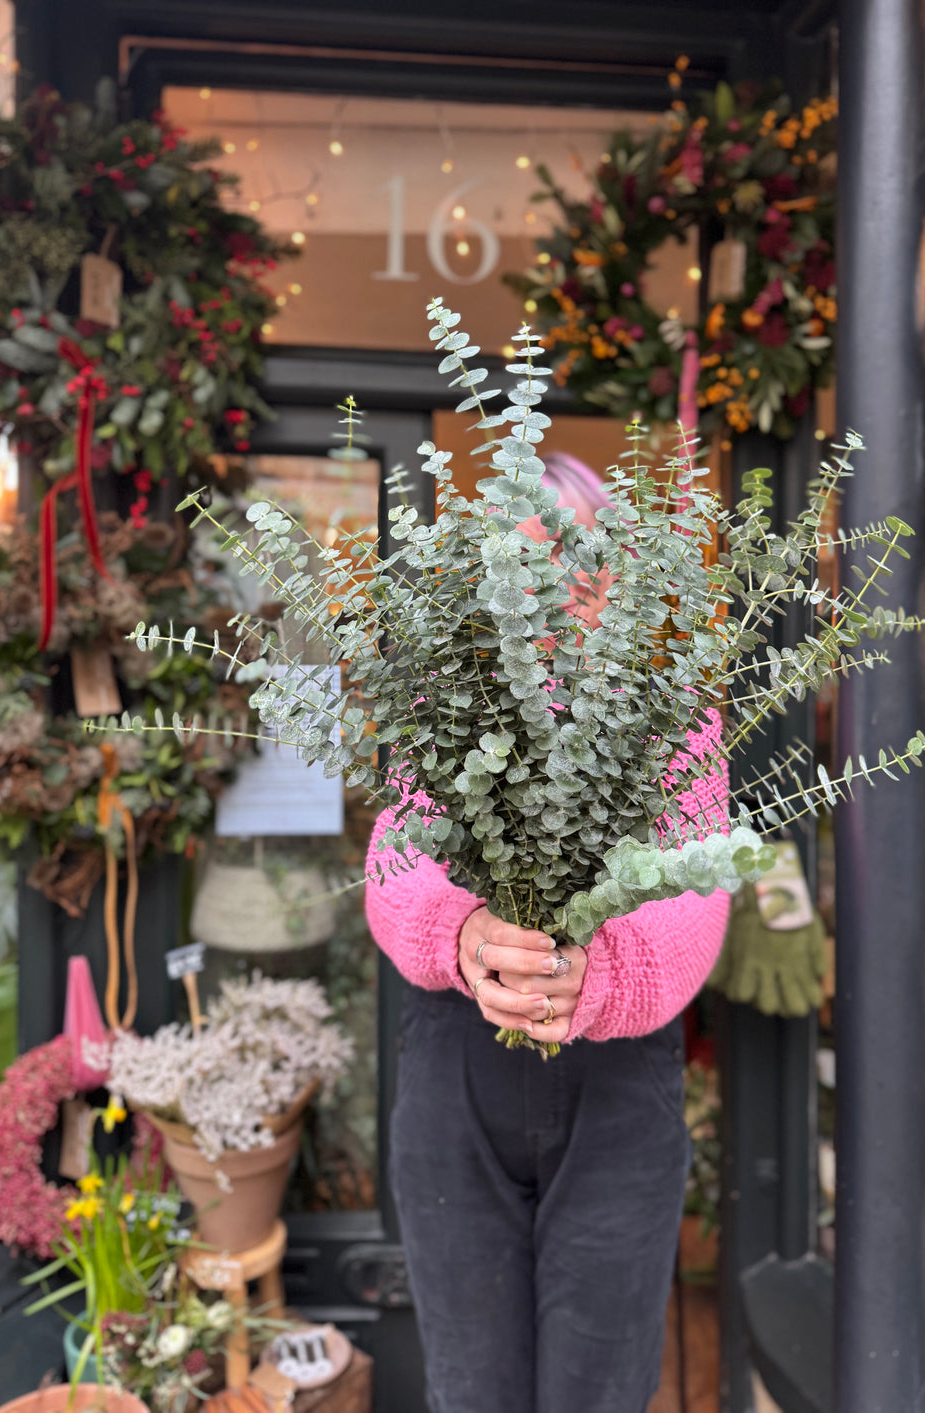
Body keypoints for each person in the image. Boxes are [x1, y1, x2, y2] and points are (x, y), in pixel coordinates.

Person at [364, 450, 730, 1413]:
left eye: (577, 568)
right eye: (523, 572)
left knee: (599, 1389)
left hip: (619, 1087)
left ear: (615, 582)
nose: (552, 598)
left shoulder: (675, 721)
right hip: (458, 1070)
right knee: (470, 1388)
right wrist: (467, 934)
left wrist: (599, 976)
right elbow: (394, 870)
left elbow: (696, 901)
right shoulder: (440, 713)